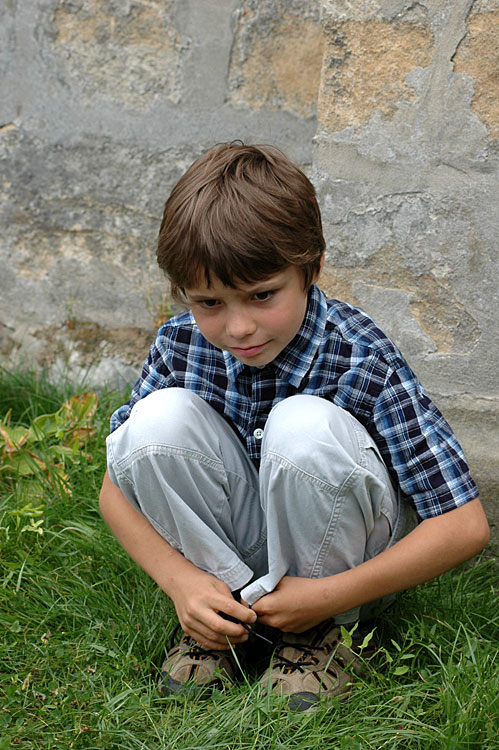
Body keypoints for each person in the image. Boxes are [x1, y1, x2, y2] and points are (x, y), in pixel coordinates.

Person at [99, 142, 489, 712]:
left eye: (262, 295)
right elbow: (114, 488)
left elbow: (464, 525)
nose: (238, 327)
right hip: (231, 555)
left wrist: (326, 596)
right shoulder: (179, 345)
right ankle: (221, 616)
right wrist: (180, 581)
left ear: (311, 269)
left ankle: (319, 635)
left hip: (340, 568)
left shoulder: (359, 357)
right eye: (209, 302)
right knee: (153, 423)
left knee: (302, 425)